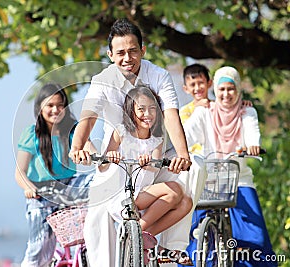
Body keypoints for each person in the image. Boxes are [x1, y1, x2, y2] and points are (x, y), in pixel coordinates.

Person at [68, 18, 192, 266]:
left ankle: (165, 245)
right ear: (110, 55)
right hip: (116, 160)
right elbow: (89, 116)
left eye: (133, 51)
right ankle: (122, 246)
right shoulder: (102, 80)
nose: (127, 58)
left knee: (191, 182)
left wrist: (183, 154)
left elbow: (170, 114)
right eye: (121, 53)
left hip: (153, 158)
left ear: (143, 50)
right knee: (98, 222)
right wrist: (77, 147)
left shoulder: (158, 75)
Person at [182, 66, 277, 266]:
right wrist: (179, 151)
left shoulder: (246, 111)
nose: (226, 94)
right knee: (193, 236)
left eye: (230, 89)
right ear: (215, 89)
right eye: (222, 89)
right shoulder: (204, 112)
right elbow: (185, 136)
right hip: (209, 181)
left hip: (238, 179)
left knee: (255, 238)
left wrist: (252, 146)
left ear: (238, 89)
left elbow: (253, 132)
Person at [14, 83, 93, 267]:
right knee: (39, 252)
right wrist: (29, 188)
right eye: (50, 105)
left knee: (101, 180)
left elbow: (89, 150)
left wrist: (89, 154)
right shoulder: (31, 134)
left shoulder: (73, 130)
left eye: (60, 105)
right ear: (40, 107)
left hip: (69, 190)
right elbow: (19, 173)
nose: (55, 110)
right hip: (41, 194)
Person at [100, 86, 192, 239]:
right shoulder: (121, 132)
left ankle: (141, 235)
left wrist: (148, 163)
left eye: (152, 109)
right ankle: (136, 232)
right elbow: (102, 166)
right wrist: (110, 157)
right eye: (141, 109)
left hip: (144, 194)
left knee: (186, 203)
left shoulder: (156, 139)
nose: (148, 114)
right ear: (131, 111)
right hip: (123, 195)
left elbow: (154, 167)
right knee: (174, 189)